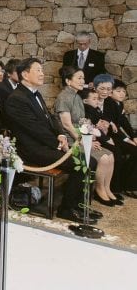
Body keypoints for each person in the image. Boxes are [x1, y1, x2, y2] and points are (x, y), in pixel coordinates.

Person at [4, 57, 89, 224]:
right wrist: (58, 144)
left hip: (46, 143)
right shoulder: (16, 98)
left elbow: (50, 118)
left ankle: (76, 205)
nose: (43, 74)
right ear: (25, 74)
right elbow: (34, 129)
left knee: (88, 161)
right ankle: (66, 208)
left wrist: (61, 135)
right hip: (32, 149)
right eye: (38, 70)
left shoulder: (35, 93)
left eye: (42, 70)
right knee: (82, 164)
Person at [55, 66, 116, 205]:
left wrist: (91, 136)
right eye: (79, 78)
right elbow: (67, 125)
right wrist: (82, 141)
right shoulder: (64, 97)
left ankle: (107, 188)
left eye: (83, 78)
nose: (83, 80)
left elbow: (83, 121)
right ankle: (99, 190)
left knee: (110, 155)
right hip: (71, 140)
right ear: (68, 81)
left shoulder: (76, 96)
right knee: (103, 158)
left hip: (81, 137)